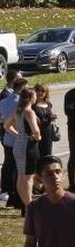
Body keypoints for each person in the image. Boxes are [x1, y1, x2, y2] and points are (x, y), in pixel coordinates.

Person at [4, 86, 41, 212]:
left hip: (18, 144)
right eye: (35, 95)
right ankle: (29, 205)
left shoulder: (17, 110)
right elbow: (35, 130)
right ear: (31, 97)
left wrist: (17, 134)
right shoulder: (29, 112)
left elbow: (6, 125)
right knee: (29, 178)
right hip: (28, 146)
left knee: (21, 177)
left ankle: (25, 203)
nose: (36, 97)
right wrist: (38, 137)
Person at [1, 72, 26, 210]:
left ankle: (11, 193)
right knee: (17, 169)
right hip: (17, 138)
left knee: (10, 165)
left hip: (8, 138)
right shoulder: (19, 102)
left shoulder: (4, 101)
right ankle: (14, 194)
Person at [32, 83, 57, 160]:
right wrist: (49, 118)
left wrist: (53, 117)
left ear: (46, 93)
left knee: (47, 154)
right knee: (38, 155)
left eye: (43, 91)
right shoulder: (32, 105)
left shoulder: (48, 104)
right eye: (38, 90)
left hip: (48, 132)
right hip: (37, 132)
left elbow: (49, 116)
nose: (40, 93)